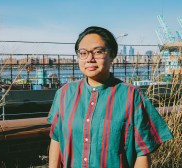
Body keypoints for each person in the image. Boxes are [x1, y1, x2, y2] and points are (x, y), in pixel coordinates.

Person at [47, 26, 173, 168]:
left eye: (98, 52)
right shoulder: (64, 94)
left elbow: (142, 152)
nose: (90, 59)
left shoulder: (132, 96)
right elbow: (56, 139)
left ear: (112, 55)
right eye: (83, 53)